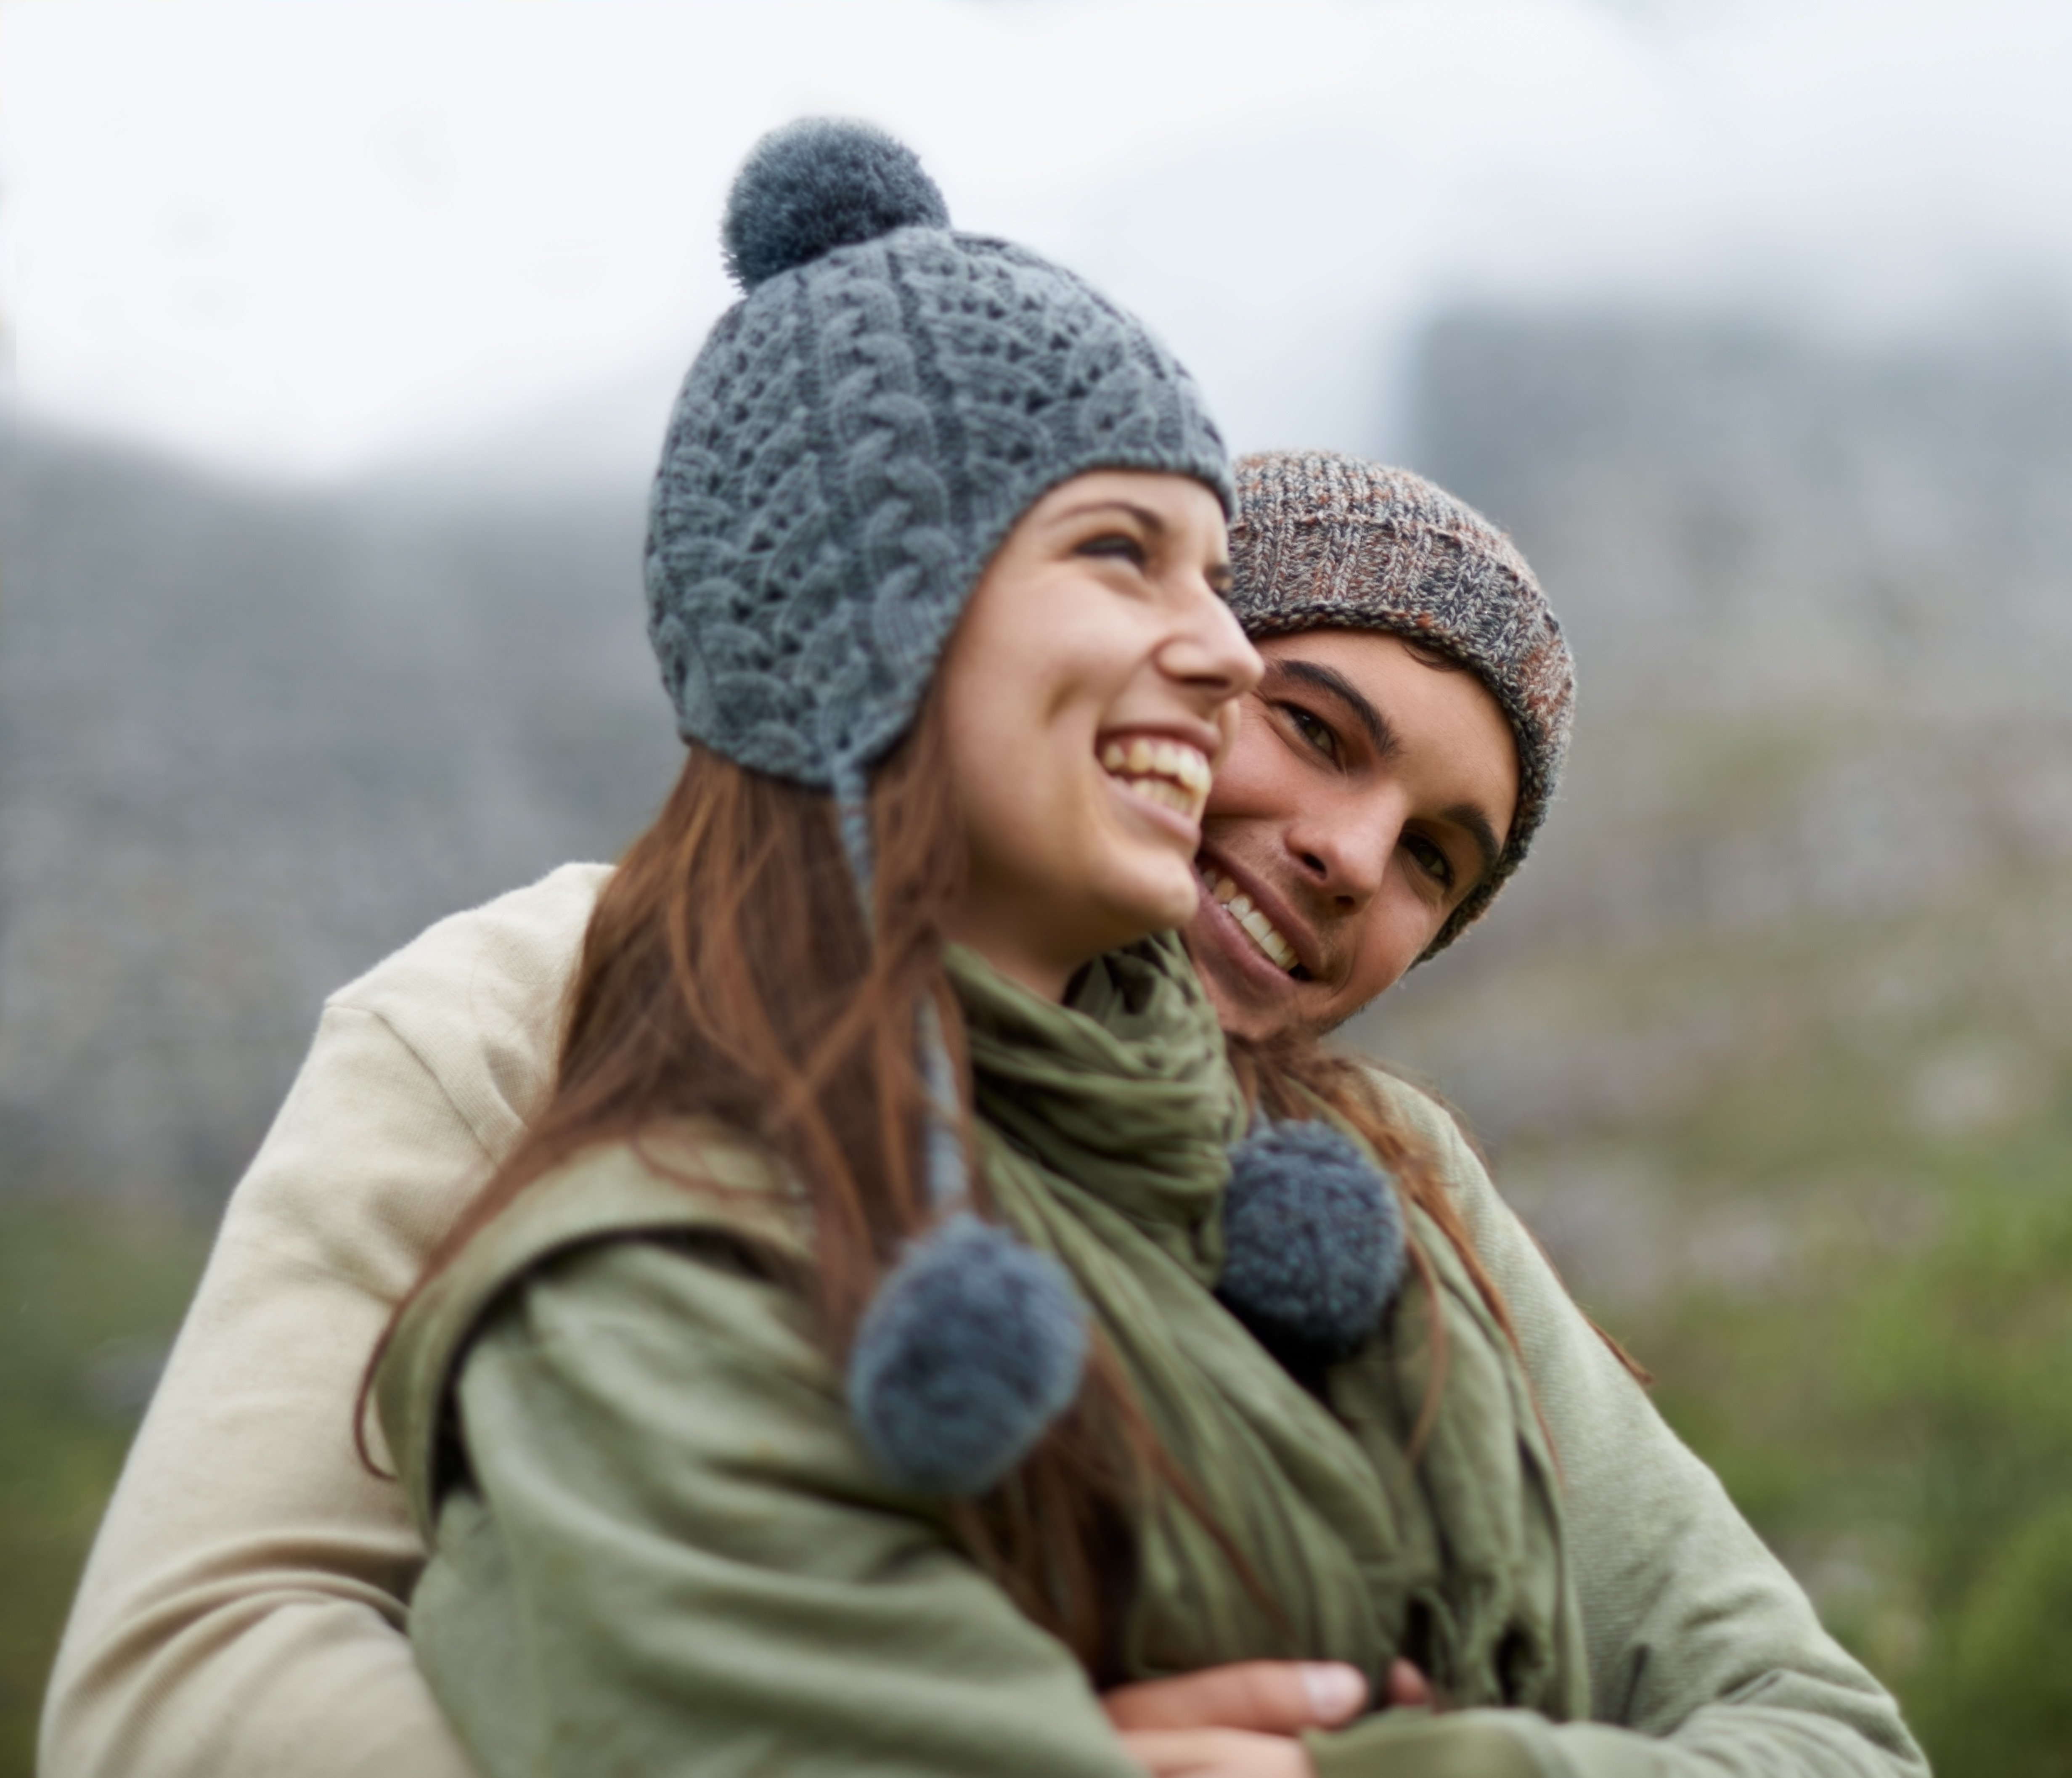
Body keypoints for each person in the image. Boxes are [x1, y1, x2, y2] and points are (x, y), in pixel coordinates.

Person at [42, 128, 1925, 1778]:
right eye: (1319, 727)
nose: (1351, 855)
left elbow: (1810, 1721)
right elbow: (181, 1687)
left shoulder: (1390, 1187)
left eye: (1438, 856)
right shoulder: (526, 1015)